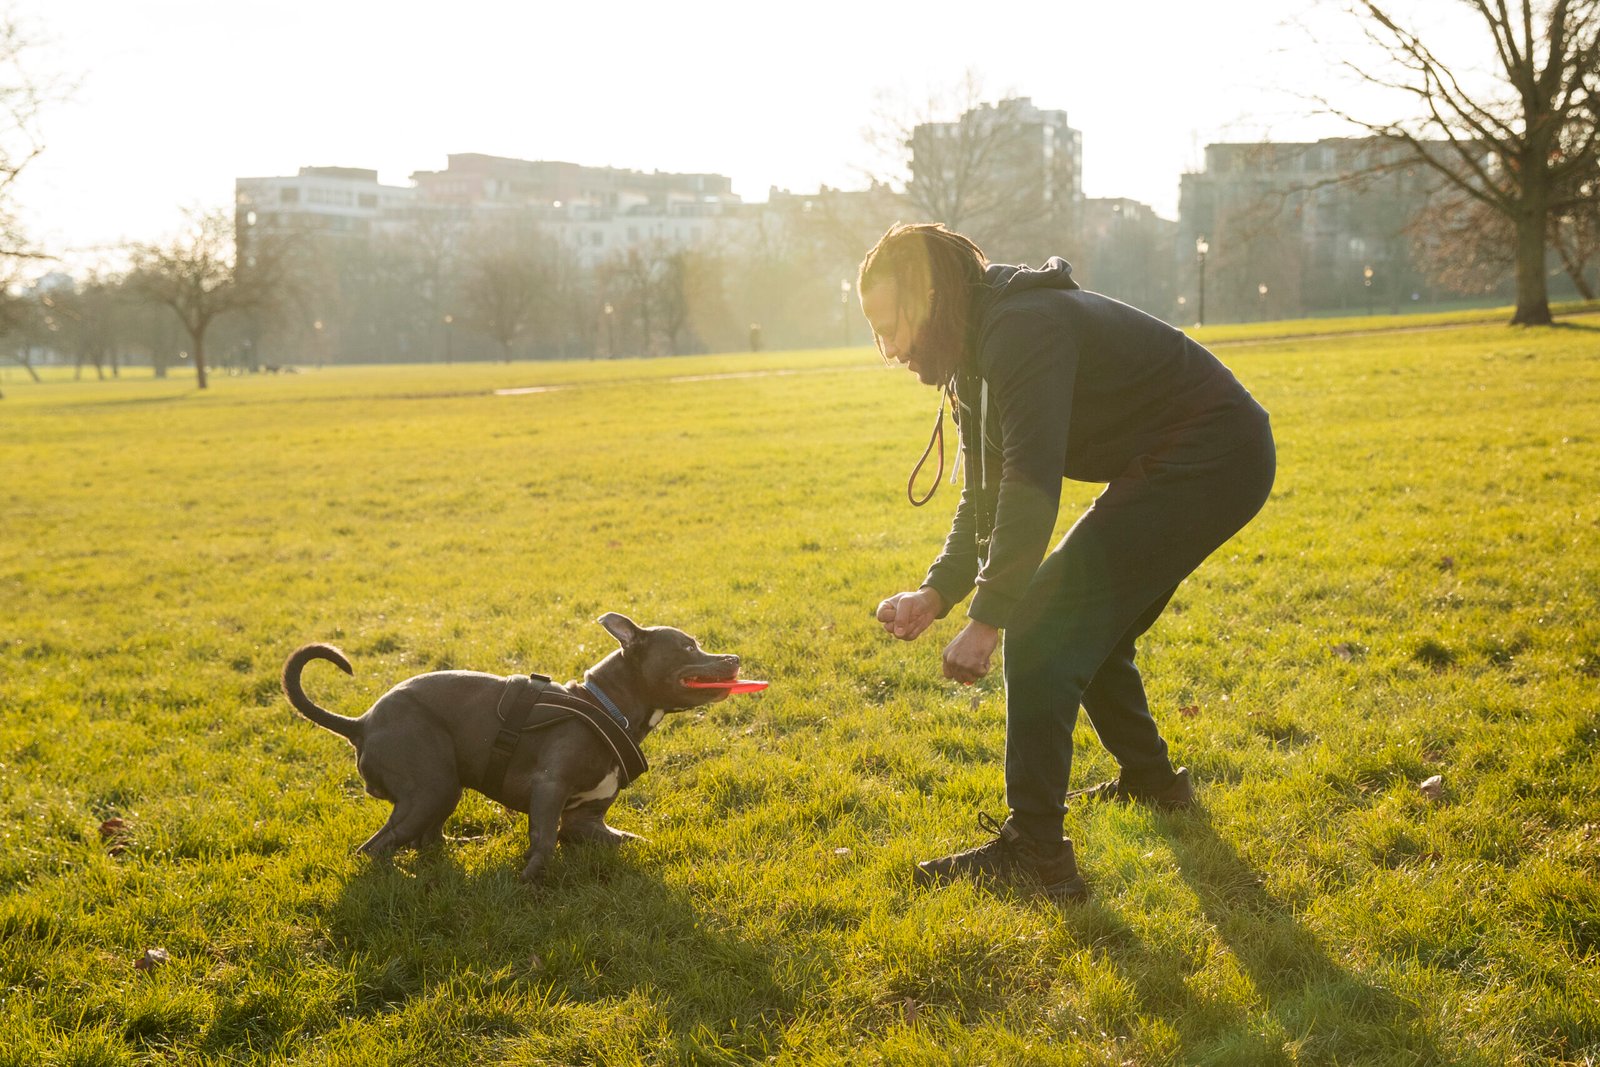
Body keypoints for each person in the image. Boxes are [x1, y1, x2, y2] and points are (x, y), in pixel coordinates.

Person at [859, 223, 1275, 902]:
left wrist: (991, 618)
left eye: (890, 324)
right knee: (1085, 625)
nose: (890, 349)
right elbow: (986, 497)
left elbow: (1031, 482)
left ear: (928, 299)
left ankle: (1037, 854)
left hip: (1212, 454)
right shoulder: (978, 352)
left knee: (1044, 623)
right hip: (1187, 456)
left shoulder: (1021, 330)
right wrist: (936, 594)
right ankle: (1154, 782)